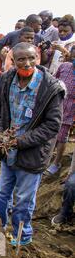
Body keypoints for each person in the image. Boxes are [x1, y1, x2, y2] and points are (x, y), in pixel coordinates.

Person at [0, 42, 65, 246]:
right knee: (0, 193)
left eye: (31, 58)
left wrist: (20, 142)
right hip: (8, 153)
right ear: (13, 62)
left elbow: (52, 126)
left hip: (32, 154)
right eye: (21, 59)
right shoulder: (7, 79)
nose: (27, 63)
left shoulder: (51, 87)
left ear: (38, 58)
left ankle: (21, 237)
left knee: (23, 199)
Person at [46, 46, 75, 175]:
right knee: (49, 133)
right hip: (55, 105)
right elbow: (53, 80)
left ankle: (56, 163)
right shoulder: (64, 66)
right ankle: (46, 158)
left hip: (70, 110)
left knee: (62, 136)